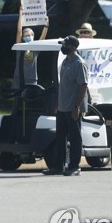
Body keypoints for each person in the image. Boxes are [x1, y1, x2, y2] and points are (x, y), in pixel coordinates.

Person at [43, 35, 88, 176]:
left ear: (73, 47)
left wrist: (77, 107)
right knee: (60, 137)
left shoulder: (79, 64)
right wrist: (58, 103)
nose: (63, 47)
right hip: (62, 107)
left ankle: (75, 166)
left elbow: (83, 86)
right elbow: (63, 85)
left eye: (66, 45)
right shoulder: (65, 63)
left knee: (75, 138)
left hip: (73, 108)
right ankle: (58, 166)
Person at [11, 6, 49, 89]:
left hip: (32, 79)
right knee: (18, 100)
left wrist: (46, 26)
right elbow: (19, 31)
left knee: (30, 100)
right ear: (22, 37)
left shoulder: (35, 48)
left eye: (31, 35)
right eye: (27, 35)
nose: (29, 36)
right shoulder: (19, 46)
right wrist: (21, 15)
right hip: (19, 78)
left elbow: (42, 38)